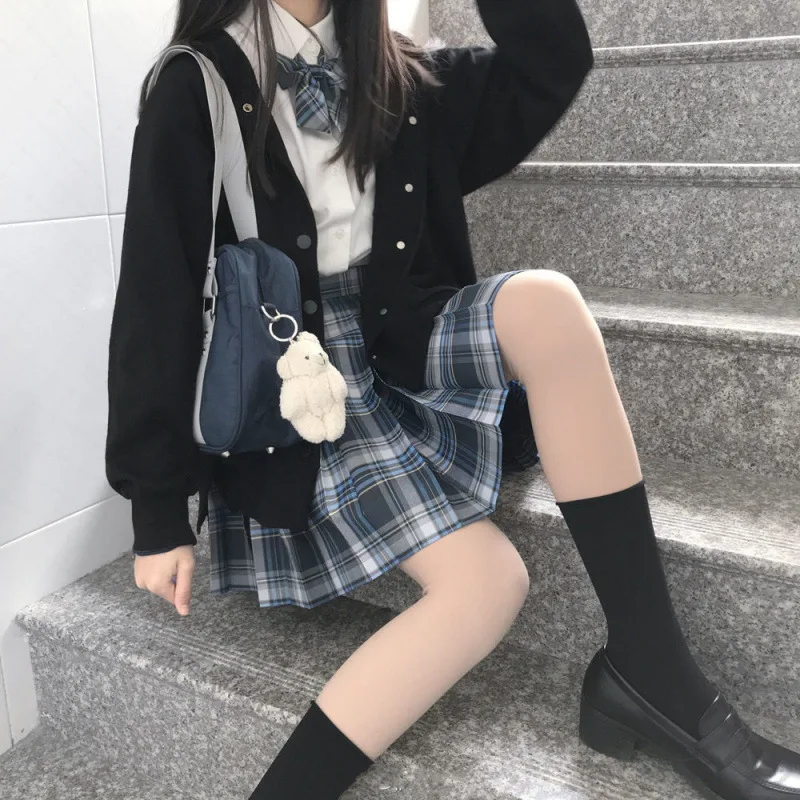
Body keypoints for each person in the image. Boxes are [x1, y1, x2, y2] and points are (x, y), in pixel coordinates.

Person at [105, 1, 800, 798]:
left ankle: (652, 669)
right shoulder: (197, 82)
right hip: (297, 390)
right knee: (488, 584)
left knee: (549, 305)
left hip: (400, 341)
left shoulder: (403, 75)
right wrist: (157, 509)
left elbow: (551, 61)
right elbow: (155, 296)